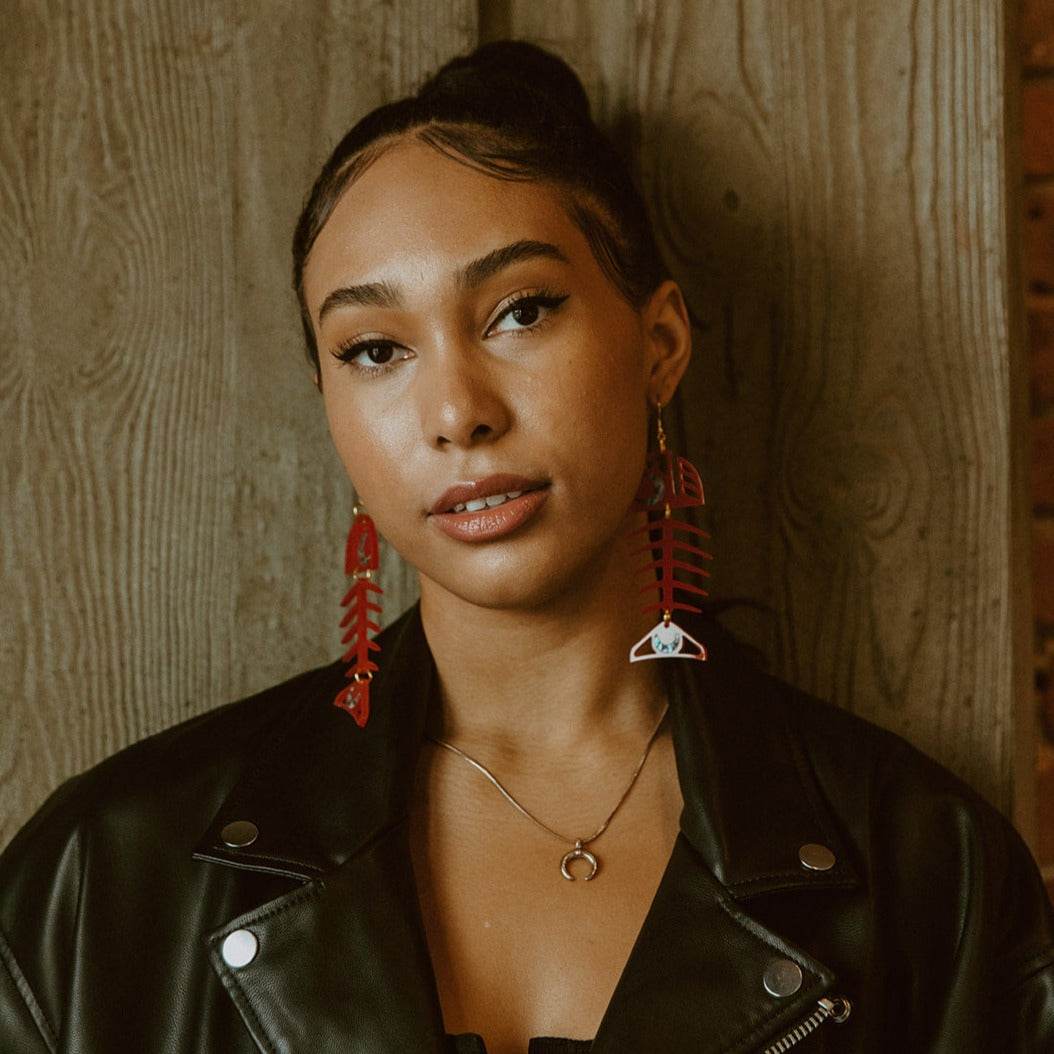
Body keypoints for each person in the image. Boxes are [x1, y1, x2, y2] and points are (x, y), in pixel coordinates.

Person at [0, 40, 1051, 1054]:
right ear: (328, 402)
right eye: (374, 348)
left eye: (519, 311)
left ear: (660, 344)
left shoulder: (930, 874)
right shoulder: (100, 880)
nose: (456, 410)